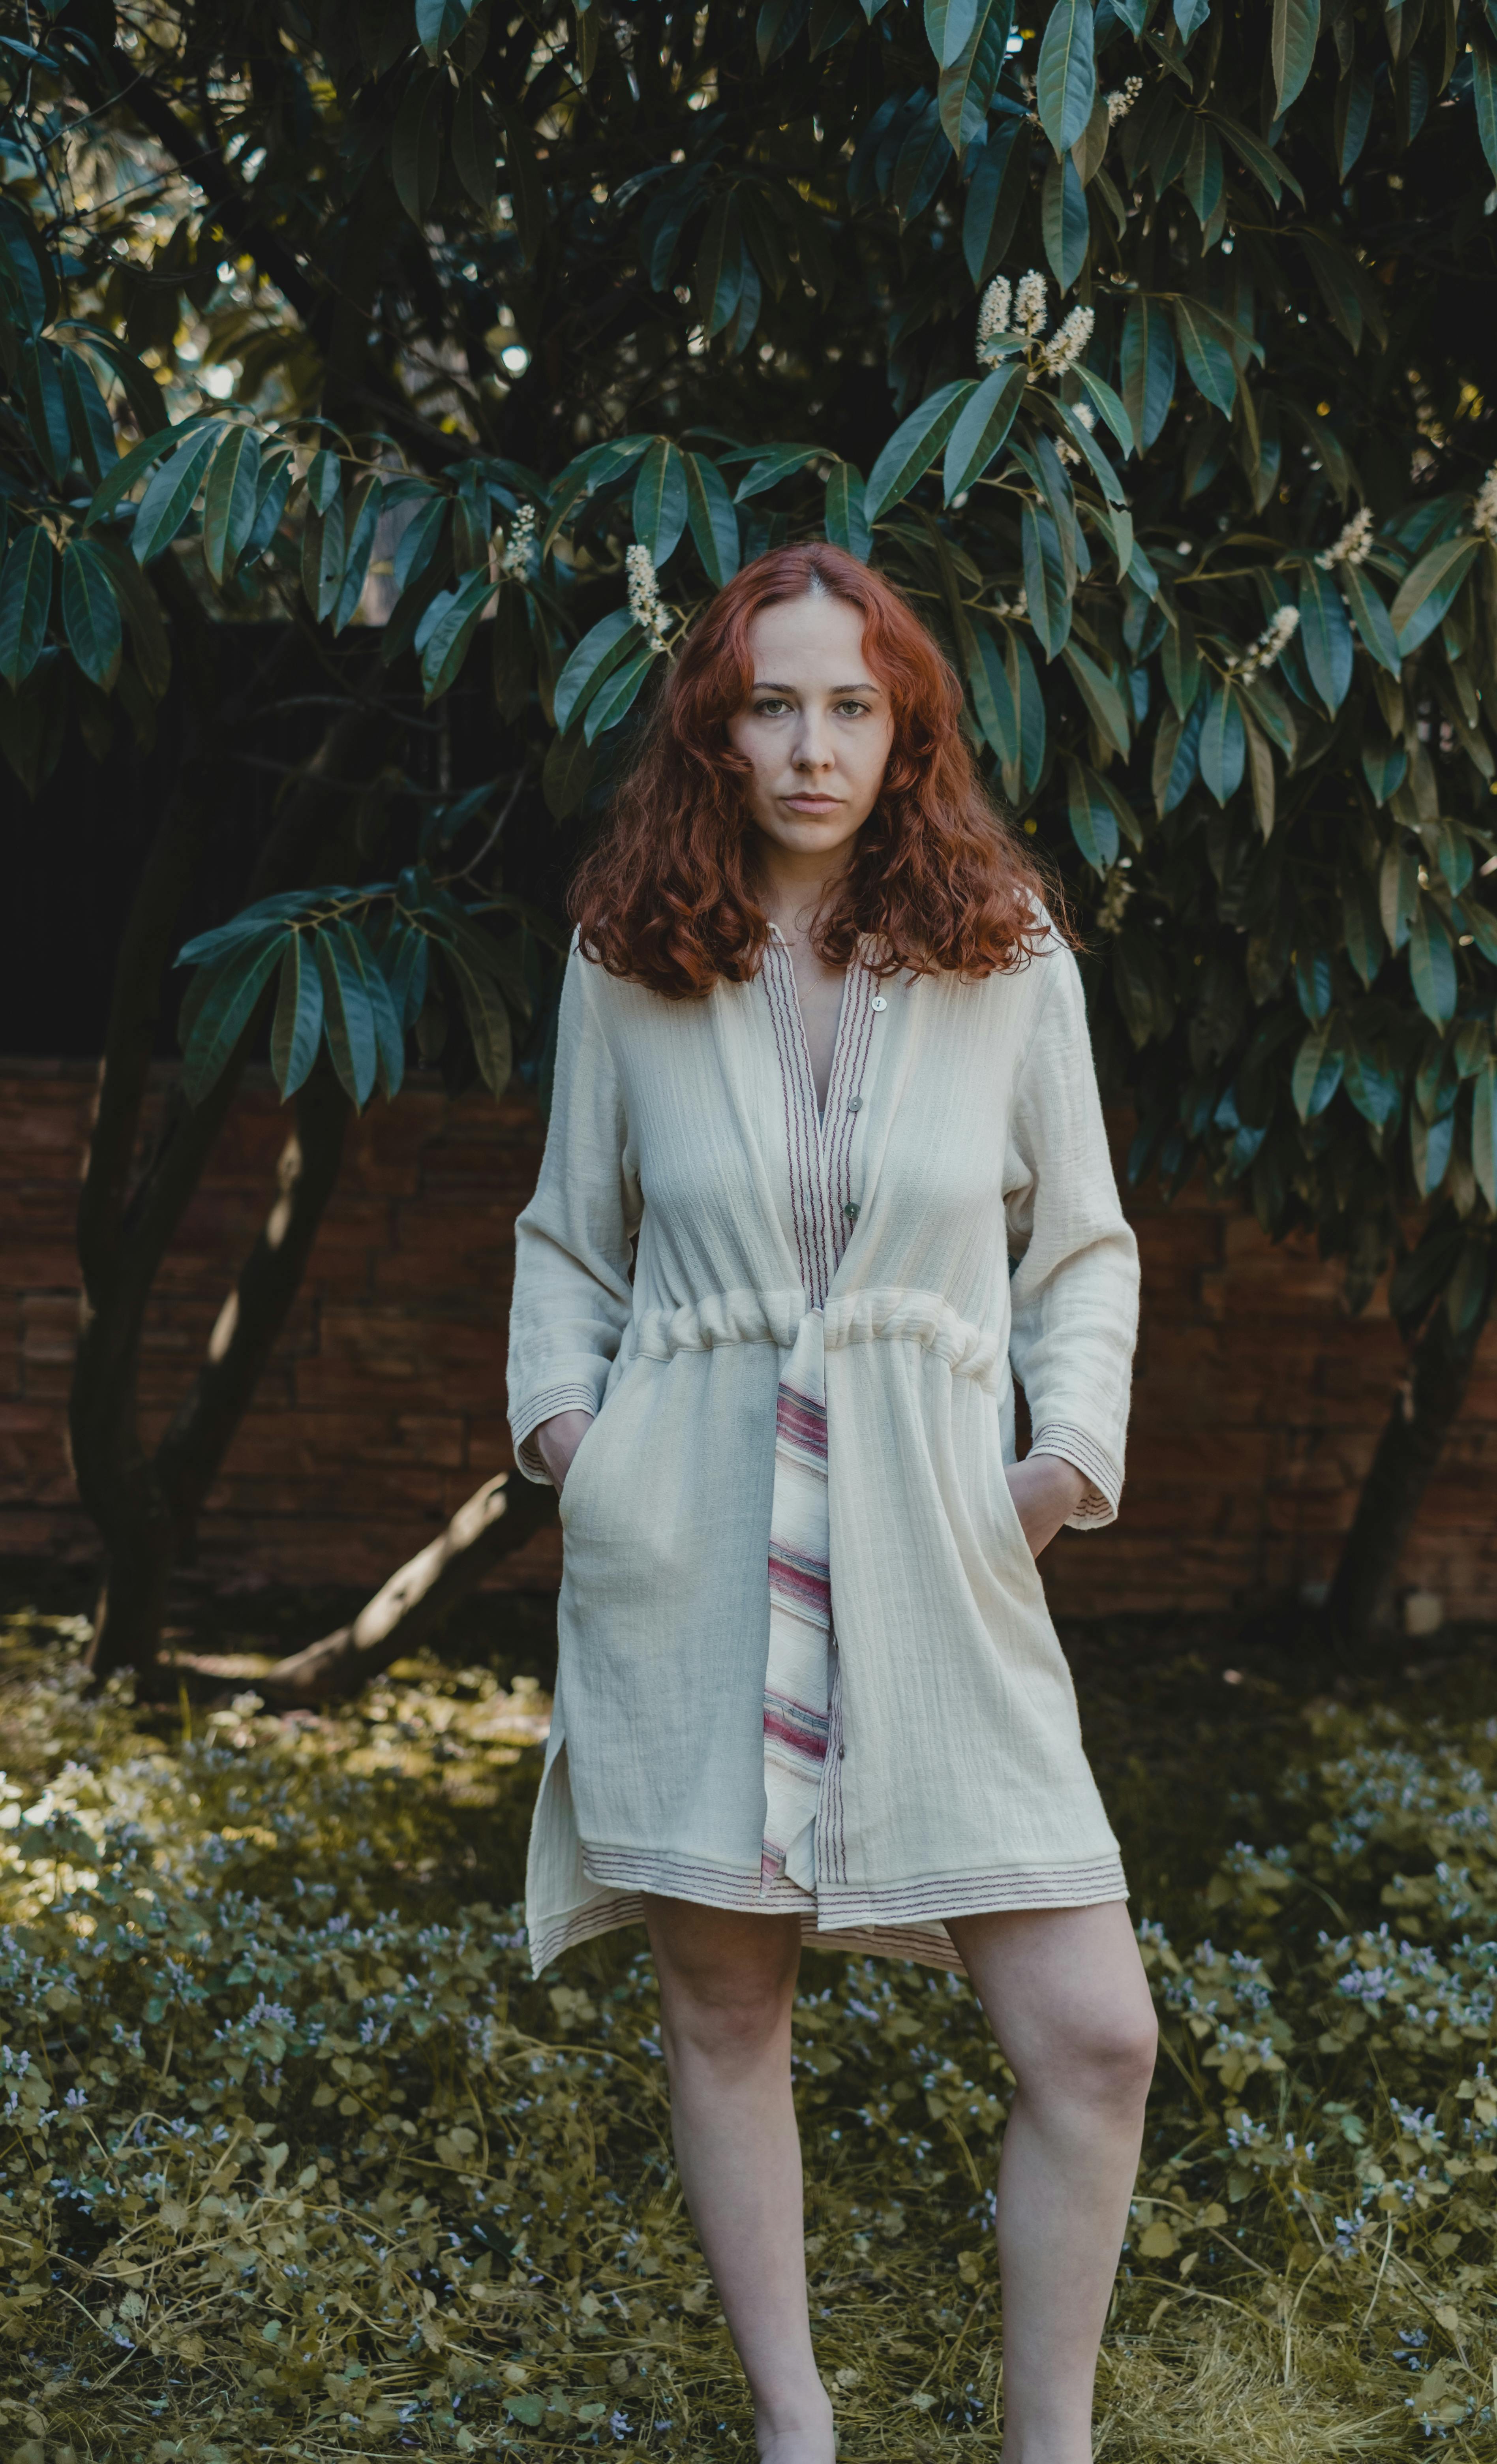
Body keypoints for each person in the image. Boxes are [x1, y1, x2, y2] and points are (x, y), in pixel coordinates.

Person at [506, 542, 1152, 2464]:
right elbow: (568, 1243)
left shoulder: (1005, 952)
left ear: (904, 730)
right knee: (724, 2007)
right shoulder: (626, 963)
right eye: (772, 703)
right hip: (689, 1542)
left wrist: (1052, 1470)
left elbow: (1083, 1251)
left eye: (851, 706)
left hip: (936, 1545)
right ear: (716, 726)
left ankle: (1051, 2448)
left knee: (1093, 2033)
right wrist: (575, 1447)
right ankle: (798, 2432)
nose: (810, 744)